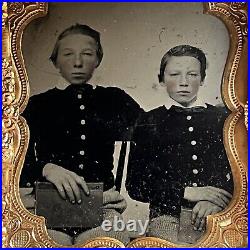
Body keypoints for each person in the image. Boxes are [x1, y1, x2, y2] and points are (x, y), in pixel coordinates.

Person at [20, 24, 142, 245]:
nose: (78, 62)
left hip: (104, 206)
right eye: (67, 54)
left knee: (107, 241)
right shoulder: (38, 105)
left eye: (87, 54)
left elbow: (154, 135)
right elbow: (13, 159)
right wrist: (46, 168)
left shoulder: (115, 99)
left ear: (98, 59)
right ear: (55, 61)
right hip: (47, 207)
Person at [126, 45, 234, 243]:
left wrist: (217, 201)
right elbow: (136, 186)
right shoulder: (149, 121)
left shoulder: (222, 119)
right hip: (166, 216)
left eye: (192, 74)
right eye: (174, 74)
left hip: (219, 213)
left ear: (202, 79)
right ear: (161, 79)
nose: (183, 83)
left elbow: (240, 169)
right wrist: (186, 192)